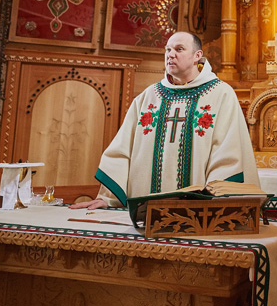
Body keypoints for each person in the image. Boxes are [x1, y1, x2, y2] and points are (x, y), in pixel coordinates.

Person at [71, 31, 259, 210]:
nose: (170, 55)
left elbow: (228, 151)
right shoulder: (149, 96)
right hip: (145, 216)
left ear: (197, 56)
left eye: (179, 49)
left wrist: (216, 200)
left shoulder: (220, 94)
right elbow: (122, 150)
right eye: (168, 50)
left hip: (199, 215)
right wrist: (109, 198)